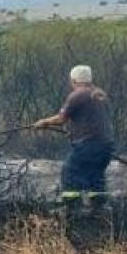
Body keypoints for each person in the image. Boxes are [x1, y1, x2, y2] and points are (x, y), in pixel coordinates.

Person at [33, 64, 114, 203]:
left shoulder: (78, 95)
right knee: (96, 177)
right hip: (106, 145)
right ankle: (100, 213)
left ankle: (73, 211)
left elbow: (61, 119)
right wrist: (75, 132)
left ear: (74, 80)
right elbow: (92, 119)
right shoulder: (101, 95)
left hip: (88, 145)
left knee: (70, 174)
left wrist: (43, 122)